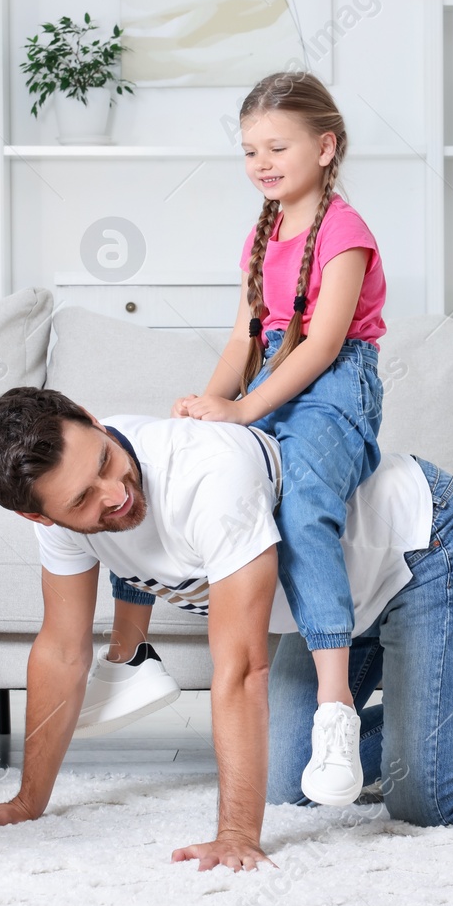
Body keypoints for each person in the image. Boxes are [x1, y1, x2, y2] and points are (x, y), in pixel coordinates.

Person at [0, 389, 453, 868]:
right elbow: (62, 650)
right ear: (42, 519)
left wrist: (237, 834)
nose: (114, 493)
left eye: (104, 459)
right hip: (330, 607)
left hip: (422, 548)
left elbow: (241, 666)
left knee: (428, 798)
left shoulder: (206, 475)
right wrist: (27, 798)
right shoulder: (69, 525)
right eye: (82, 500)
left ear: (95, 422)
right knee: (290, 783)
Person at [170, 71, 387, 806]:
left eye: (277, 146)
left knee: (299, 507)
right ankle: (127, 653)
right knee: (187, 475)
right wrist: (212, 403)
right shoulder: (260, 233)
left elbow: (322, 346)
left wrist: (245, 410)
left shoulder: (344, 231)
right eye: (249, 149)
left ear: (325, 148)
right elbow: (244, 337)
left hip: (334, 389)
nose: (262, 162)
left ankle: (335, 707)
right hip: (271, 378)